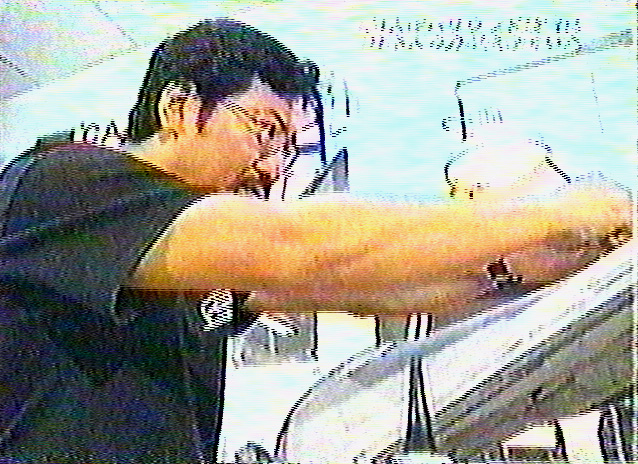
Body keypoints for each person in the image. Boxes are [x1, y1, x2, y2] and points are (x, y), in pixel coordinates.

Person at [0, 18, 631, 464]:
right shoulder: (68, 181)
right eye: (263, 130)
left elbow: (366, 289)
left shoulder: (196, 265)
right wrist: (558, 215)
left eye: (286, 146)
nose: (273, 166)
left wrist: (514, 274)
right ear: (180, 108)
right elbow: (296, 247)